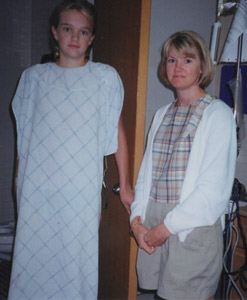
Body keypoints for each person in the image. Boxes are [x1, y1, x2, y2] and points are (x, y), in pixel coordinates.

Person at [8, 1, 133, 299]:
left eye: (83, 31)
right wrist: (17, 184)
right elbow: (23, 138)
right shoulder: (32, 79)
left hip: (80, 191)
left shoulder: (104, 78)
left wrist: (126, 186)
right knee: (33, 263)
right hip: (37, 189)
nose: (75, 38)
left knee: (75, 267)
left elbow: (117, 134)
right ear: (55, 33)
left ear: (91, 38)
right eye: (67, 29)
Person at [130, 30, 237, 300]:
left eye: (187, 60)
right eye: (171, 60)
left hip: (189, 229)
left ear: (202, 67)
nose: (177, 67)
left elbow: (212, 192)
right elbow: (146, 177)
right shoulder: (161, 114)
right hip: (154, 222)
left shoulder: (218, 114)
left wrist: (163, 230)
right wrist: (136, 222)